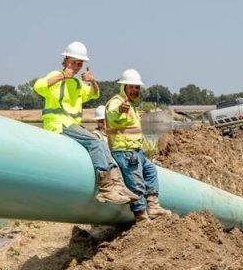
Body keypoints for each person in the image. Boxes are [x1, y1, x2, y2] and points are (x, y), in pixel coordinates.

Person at [33, 41, 135, 204]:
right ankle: (106, 188)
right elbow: (38, 87)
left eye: (80, 64)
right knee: (95, 142)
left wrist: (92, 81)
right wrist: (62, 76)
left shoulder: (78, 84)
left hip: (72, 125)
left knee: (102, 145)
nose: (77, 66)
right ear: (66, 60)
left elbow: (94, 94)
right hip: (58, 124)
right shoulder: (56, 76)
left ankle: (118, 184)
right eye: (74, 62)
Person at [106, 69, 173, 222]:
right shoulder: (117, 102)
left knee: (151, 171)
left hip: (136, 151)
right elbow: (113, 114)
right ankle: (141, 215)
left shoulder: (133, 106)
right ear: (124, 87)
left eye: (137, 87)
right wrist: (119, 111)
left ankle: (153, 206)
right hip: (125, 151)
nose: (135, 90)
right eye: (131, 87)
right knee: (136, 183)